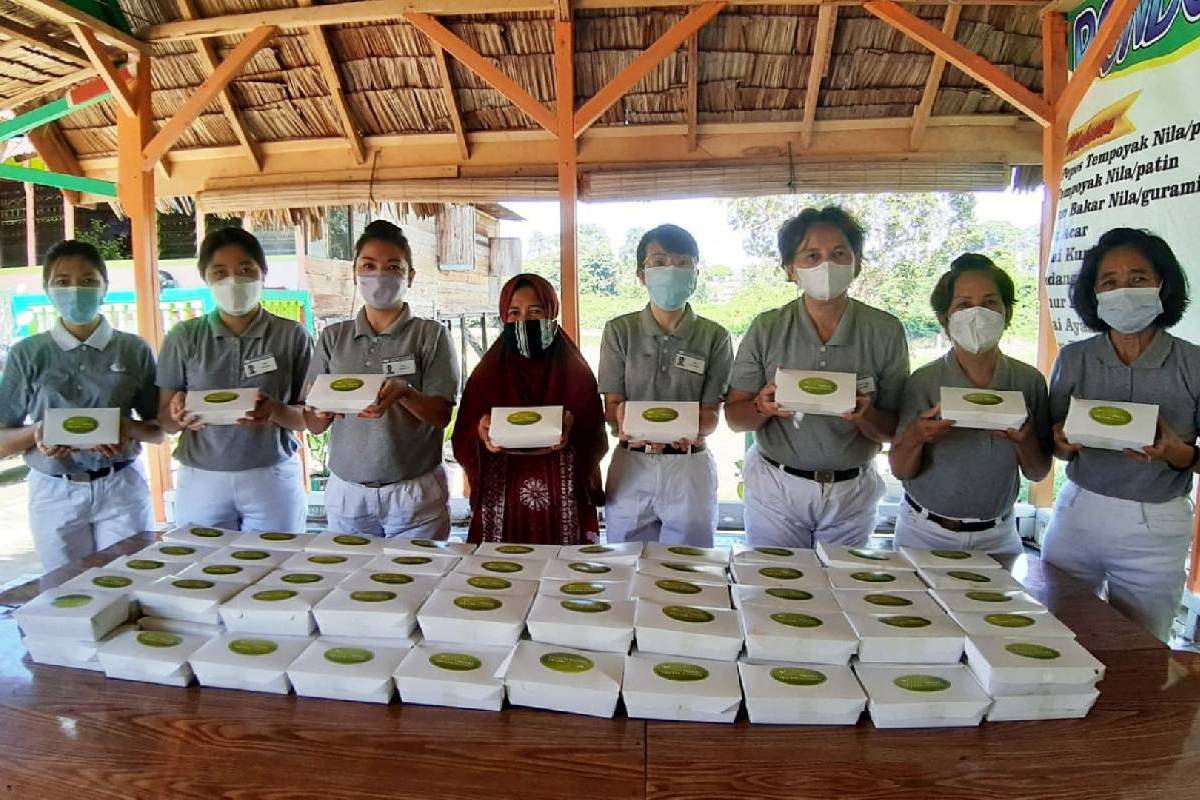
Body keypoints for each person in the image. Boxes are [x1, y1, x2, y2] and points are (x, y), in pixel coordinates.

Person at [1044, 227, 1200, 642]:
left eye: (1138, 278)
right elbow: (1055, 442)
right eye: (1109, 282)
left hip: (1155, 522)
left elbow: (1194, 456)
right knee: (1056, 632)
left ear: (1162, 285)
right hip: (1077, 513)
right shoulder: (1074, 358)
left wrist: (1177, 453)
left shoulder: (1192, 362)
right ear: (1093, 295)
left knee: (1142, 647)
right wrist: (1060, 442)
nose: (1124, 291)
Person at [725, 206, 910, 548]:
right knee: (775, 587)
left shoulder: (885, 331)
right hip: (776, 489)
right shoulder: (767, 328)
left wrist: (866, 416)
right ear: (790, 270)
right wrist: (762, 407)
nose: (826, 264)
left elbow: (894, 428)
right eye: (811, 255)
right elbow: (735, 418)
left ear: (856, 263)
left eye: (839, 253)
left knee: (842, 587)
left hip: (851, 494)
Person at [0, 240, 162, 571]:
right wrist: (38, 433)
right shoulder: (28, 354)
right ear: (48, 290)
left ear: (105, 288)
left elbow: (159, 430)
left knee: (130, 583)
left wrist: (126, 429)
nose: (76, 290)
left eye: (88, 280)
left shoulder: (133, 350)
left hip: (121, 486)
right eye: (63, 282)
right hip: (54, 491)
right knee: (65, 591)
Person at [303, 220, 459, 538]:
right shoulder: (333, 338)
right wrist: (319, 410)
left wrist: (406, 393)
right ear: (355, 274)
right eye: (369, 266)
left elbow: (442, 416)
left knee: (418, 581)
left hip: (413, 492)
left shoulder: (431, 335)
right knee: (351, 583)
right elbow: (314, 425)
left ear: (410, 276)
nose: (379, 275)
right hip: (348, 494)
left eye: (393, 267)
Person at [889, 254, 1052, 555]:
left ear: (1007, 312)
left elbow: (1038, 472)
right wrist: (917, 436)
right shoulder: (924, 381)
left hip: (998, 536)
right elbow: (901, 469)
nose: (978, 314)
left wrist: (1026, 440)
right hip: (924, 533)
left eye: (990, 302)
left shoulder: (1028, 381)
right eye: (964, 304)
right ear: (944, 318)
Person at [157, 227, 312, 533]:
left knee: (277, 570)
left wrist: (274, 411)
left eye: (245, 269)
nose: (234, 280)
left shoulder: (290, 335)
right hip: (201, 478)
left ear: (262, 273)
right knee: (204, 570)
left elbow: (308, 419)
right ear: (205, 278)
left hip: (272, 476)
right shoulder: (184, 337)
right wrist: (175, 414)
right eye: (220, 272)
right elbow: (164, 420)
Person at [597, 225, 732, 546]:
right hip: (632, 463)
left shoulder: (715, 336)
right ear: (641, 274)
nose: (671, 270)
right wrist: (628, 420)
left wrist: (643, 421)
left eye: (682, 262)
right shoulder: (619, 331)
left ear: (696, 273)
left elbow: (711, 416)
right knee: (626, 564)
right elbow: (612, 409)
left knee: (689, 570)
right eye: (658, 262)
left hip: (689, 466)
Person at [452, 274, 607, 544]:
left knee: (566, 582)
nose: (524, 321)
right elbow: (464, 433)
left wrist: (574, 425)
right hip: (501, 502)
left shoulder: (576, 371)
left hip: (564, 503)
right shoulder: (487, 374)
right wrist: (481, 432)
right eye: (514, 313)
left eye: (535, 311)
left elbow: (595, 433)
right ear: (503, 317)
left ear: (551, 314)